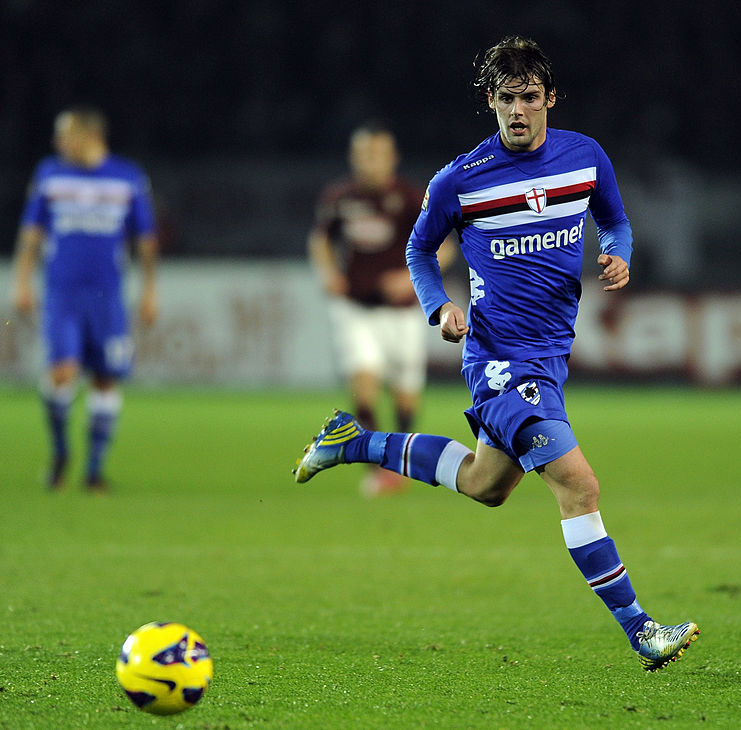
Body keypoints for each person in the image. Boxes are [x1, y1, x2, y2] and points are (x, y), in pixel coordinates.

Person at [294, 37, 699, 671]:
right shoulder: (461, 179)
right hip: (501, 361)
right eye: (506, 98)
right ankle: (641, 629)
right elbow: (418, 250)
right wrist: (439, 307)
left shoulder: (585, 157)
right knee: (580, 486)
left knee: (485, 486)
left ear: (550, 98)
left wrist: (617, 253)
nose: (518, 110)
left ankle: (353, 443)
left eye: (529, 97)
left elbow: (615, 221)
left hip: (551, 355)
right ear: (490, 101)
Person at [11, 105, 159, 492]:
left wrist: (150, 291)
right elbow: (31, 233)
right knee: (62, 372)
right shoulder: (50, 175)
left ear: (89, 136)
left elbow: (145, 240)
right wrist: (22, 282)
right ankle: (61, 452)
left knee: (106, 379)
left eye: (65, 135)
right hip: (62, 294)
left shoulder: (127, 177)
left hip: (108, 297)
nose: (58, 142)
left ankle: (94, 471)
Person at [309, 122, 453, 496]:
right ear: (353, 157)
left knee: (405, 396)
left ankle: (397, 460)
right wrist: (328, 272)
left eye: (377, 154)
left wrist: (410, 278)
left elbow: (446, 246)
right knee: (364, 384)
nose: (369, 161)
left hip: (403, 311)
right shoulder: (340, 197)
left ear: (392, 158)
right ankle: (378, 468)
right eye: (363, 154)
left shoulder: (410, 197)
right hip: (355, 308)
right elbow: (320, 239)